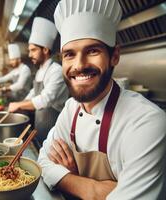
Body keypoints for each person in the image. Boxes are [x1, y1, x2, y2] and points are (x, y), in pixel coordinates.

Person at [37, 0, 166, 199]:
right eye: (69, 54)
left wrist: (68, 178)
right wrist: (94, 189)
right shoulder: (71, 108)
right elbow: (43, 161)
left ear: (114, 56)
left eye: (92, 51)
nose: (79, 65)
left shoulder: (146, 121)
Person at [8, 17, 69, 148]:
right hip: (41, 122)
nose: (30, 55)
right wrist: (20, 103)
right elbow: (34, 92)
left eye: (33, 50)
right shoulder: (41, 70)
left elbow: (45, 99)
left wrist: (19, 105)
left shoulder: (56, 70)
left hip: (55, 124)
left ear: (45, 50)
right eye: (29, 50)